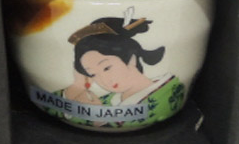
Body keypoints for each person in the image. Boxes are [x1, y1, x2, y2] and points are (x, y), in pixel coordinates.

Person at [53, 11, 184, 128]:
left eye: (107, 68)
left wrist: (100, 118)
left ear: (131, 58)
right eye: (93, 74)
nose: (104, 80)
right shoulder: (104, 101)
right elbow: (54, 108)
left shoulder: (171, 93)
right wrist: (77, 86)